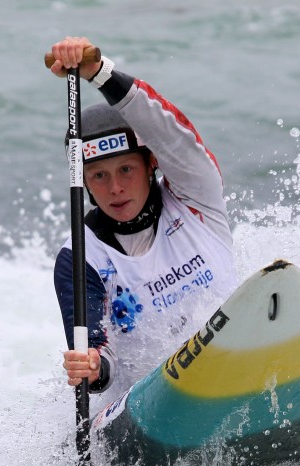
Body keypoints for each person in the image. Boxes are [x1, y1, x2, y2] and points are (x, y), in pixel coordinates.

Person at [49, 36, 237, 410]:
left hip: (235, 364)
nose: (115, 188)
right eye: (98, 176)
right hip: (157, 407)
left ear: (151, 164)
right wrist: (92, 367)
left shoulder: (194, 196)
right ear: (83, 182)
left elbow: (171, 133)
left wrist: (100, 74)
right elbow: (102, 359)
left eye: (125, 169)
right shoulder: (81, 257)